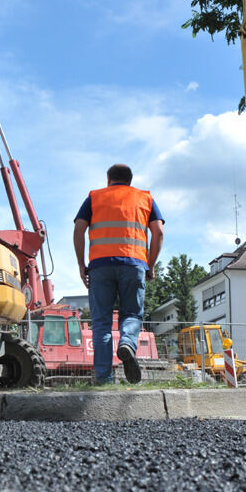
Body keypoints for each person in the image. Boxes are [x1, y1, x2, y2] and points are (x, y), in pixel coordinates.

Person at [73, 164, 164, 385]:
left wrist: (81, 265)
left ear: (108, 179)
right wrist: (150, 265)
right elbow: (158, 231)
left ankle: (104, 378)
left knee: (101, 323)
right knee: (131, 314)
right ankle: (127, 343)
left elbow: (78, 229)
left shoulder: (94, 198)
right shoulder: (145, 198)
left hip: (100, 266)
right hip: (133, 264)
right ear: (130, 180)